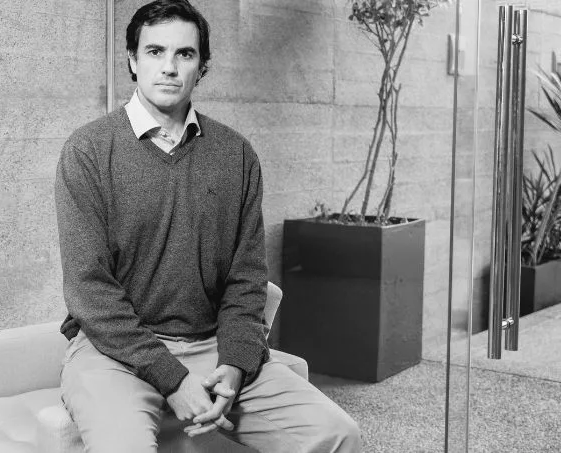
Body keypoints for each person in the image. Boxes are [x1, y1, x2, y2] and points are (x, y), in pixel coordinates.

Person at [54, 1, 361, 451]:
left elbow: (246, 280)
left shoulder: (236, 155)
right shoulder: (88, 151)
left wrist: (235, 363)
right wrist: (172, 379)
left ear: (202, 67)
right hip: (112, 352)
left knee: (337, 434)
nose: (169, 67)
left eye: (185, 54)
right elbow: (89, 290)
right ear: (132, 61)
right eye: (155, 51)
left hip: (212, 345)